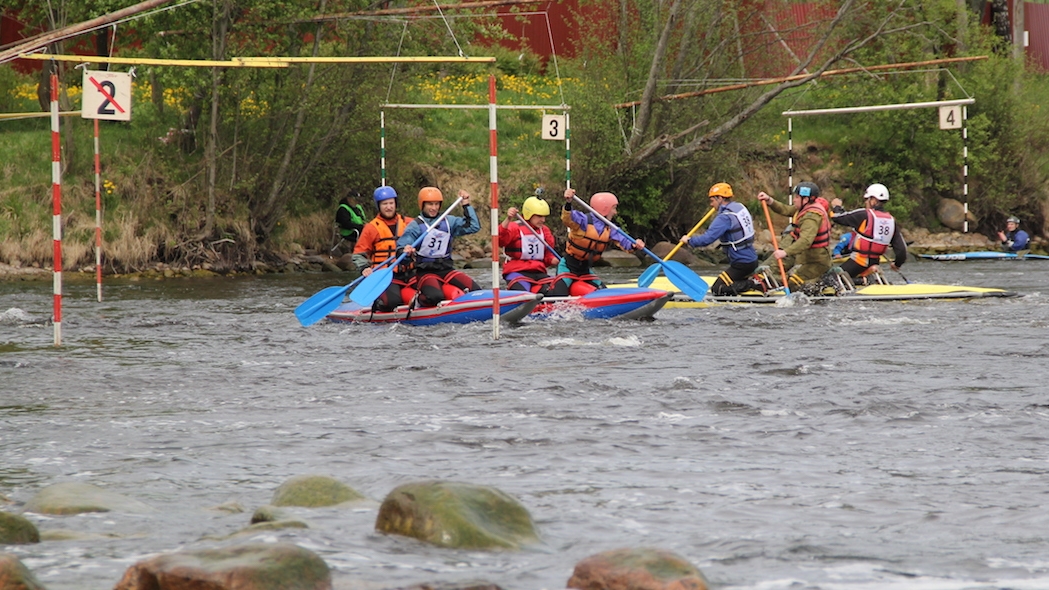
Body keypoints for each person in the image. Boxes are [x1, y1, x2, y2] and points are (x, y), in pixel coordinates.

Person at [398, 186, 482, 307]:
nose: (434, 208)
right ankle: (417, 300)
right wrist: (406, 251)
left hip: (446, 269)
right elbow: (401, 251)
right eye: (430, 204)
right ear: (422, 205)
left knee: (475, 290)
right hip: (426, 272)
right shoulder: (415, 226)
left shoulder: (449, 221)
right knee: (435, 297)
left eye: (437, 204)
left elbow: (473, 226)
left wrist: (466, 204)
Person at [552, 188, 644, 297]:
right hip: (568, 266)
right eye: (614, 208)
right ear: (605, 209)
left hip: (585, 270)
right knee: (559, 294)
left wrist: (634, 244)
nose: (615, 212)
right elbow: (568, 218)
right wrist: (568, 203)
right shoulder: (583, 221)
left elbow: (624, 241)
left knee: (604, 293)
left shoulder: (610, 228)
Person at [679, 182, 760, 296]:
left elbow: (707, 239)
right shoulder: (739, 207)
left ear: (720, 198)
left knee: (718, 288)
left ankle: (754, 284)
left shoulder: (725, 217)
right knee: (726, 282)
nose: (711, 205)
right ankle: (751, 282)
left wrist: (689, 240)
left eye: (712, 201)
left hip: (742, 264)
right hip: (751, 259)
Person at [756, 181, 831, 292]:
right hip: (806, 257)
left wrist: (784, 252)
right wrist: (769, 200)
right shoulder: (803, 208)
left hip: (817, 261)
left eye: (796, 197)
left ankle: (827, 282)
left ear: (805, 200)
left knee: (793, 283)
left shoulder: (811, 217)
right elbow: (785, 209)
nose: (794, 199)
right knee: (765, 271)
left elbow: (805, 241)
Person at [352, 186, 414, 312]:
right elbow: (358, 254)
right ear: (378, 206)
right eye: (385, 204)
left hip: (409, 273)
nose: (389, 207)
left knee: (427, 297)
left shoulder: (408, 223)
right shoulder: (371, 228)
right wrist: (364, 268)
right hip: (384, 276)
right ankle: (379, 303)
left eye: (391, 203)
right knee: (393, 302)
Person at [829, 183, 907, 282]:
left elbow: (838, 217)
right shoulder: (891, 220)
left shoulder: (864, 214)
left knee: (830, 279)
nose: (866, 202)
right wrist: (897, 264)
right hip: (874, 261)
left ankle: (865, 281)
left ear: (873, 201)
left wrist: (836, 206)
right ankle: (868, 279)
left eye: (867, 199)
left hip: (859, 261)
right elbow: (901, 250)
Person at [499, 195, 559, 294]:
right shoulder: (515, 227)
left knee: (554, 291)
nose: (543, 220)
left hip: (538, 273)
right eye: (539, 216)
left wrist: (555, 260)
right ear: (529, 214)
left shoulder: (544, 231)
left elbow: (547, 256)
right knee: (523, 292)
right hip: (517, 271)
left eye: (544, 217)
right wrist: (508, 218)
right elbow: (500, 239)